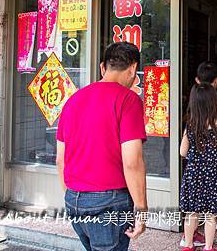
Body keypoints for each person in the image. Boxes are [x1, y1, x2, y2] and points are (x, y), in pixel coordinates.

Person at [56, 42, 148, 251]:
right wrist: (141, 210)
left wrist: (75, 197)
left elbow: (60, 160)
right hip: (109, 201)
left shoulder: (73, 100)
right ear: (133, 68)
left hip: (73, 199)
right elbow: (133, 162)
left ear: (102, 67)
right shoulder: (128, 99)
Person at [179, 83, 217, 251]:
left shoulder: (190, 126)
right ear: (214, 102)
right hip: (214, 175)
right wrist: (215, 157)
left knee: (192, 212)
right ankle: (208, 247)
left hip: (193, 174)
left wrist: (196, 158)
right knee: (211, 214)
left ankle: (188, 245)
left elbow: (182, 152)